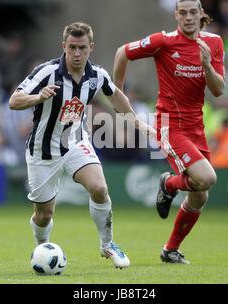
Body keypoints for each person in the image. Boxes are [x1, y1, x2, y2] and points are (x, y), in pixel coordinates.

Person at [9, 22, 154, 269]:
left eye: (82, 48)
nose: (77, 53)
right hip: (42, 151)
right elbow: (14, 100)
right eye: (72, 47)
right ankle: (41, 246)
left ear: (91, 48)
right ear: (64, 46)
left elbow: (116, 96)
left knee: (99, 188)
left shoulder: (97, 75)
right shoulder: (46, 72)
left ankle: (108, 245)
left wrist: (137, 122)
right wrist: (39, 96)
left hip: (76, 142)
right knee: (44, 215)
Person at [113, 0, 225, 264]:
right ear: (176, 15)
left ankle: (170, 249)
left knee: (200, 195)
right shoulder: (163, 41)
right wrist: (118, 95)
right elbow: (122, 53)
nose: (188, 17)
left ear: (201, 14)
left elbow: (219, 90)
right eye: (183, 12)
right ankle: (170, 184)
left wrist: (207, 64)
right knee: (207, 178)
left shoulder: (213, 43)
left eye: (192, 12)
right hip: (169, 125)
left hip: (195, 126)